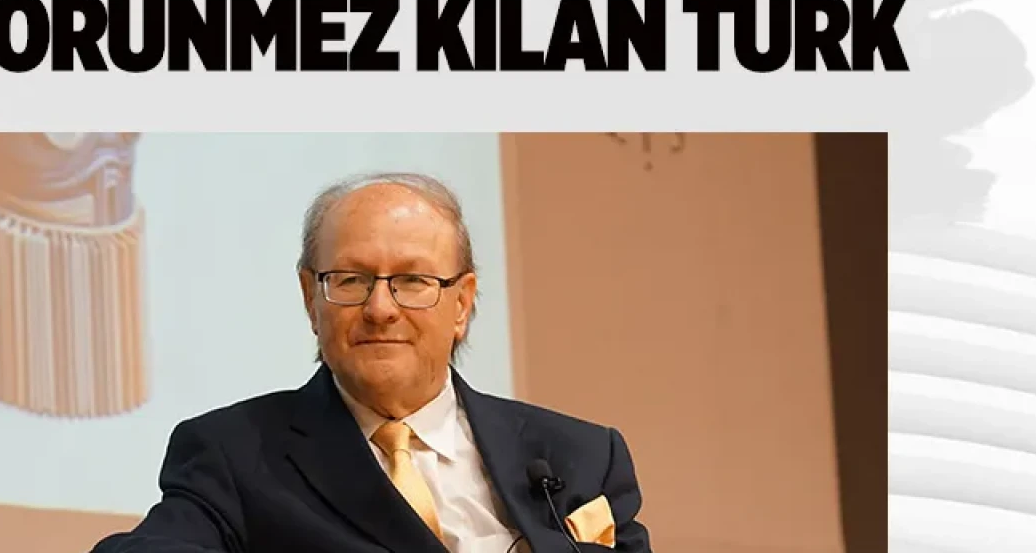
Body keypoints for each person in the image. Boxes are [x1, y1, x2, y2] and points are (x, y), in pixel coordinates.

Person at [90, 173, 653, 552]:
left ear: (462, 303)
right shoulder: (236, 453)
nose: (380, 309)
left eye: (412, 280)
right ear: (310, 298)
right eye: (351, 280)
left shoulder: (580, 456)